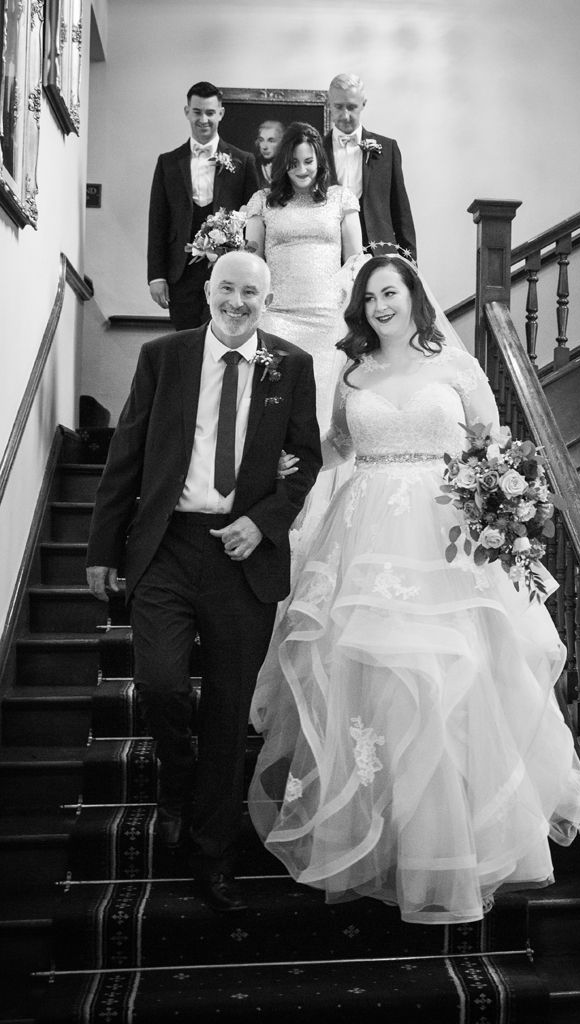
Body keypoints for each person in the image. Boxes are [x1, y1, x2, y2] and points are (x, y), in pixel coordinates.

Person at [247, 255, 580, 925]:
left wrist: (503, 506)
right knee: (373, 688)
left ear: (413, 296)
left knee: (450, 683)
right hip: (365, 539)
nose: (379, 304)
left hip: (444, 543)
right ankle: (381, 839)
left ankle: (449, 848)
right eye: (369, 296)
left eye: (390, 291)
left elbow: (489, 446)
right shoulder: (350, 372)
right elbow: (335, 447)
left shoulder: (454, 368)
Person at [86, 250, 322, 914]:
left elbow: (304, 458)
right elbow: (126, 451)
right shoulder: (164, 357)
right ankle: (175, 778)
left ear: (265, 299)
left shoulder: (288, 366)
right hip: (165, 547)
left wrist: (265, 521)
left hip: (241, 558)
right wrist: (104, 547)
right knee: (160, 684)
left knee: (225, 712)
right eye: (227, 288)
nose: (237, 301)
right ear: (208, 292)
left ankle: (212, 855)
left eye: (251, 291)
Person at [244, 121, 363, 429]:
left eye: (308, 161)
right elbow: (252, 260)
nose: (301, 169)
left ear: (319, 161)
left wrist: (349, 310)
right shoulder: (263, 201)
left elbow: (354, 261)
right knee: (277, 404)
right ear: (284, 164)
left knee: (323, 407)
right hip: (278, 317)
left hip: (328, 318)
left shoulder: (340, 198)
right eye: (293, 163)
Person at [147, 81, 259, 331]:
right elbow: (158, 221)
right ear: (187, 111)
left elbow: (256, 219)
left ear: (221, 113)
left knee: (223, 336)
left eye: (210, 112)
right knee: (185, 341)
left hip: (228, 270)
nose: (203, 119)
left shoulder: (243, 161)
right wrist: (156, 275)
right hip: (181, 272)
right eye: (197, 112)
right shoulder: (168, 163)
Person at [323, 73, 417, 262]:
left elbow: (401, 212)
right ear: (329, 104)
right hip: (328, 251)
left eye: (352, 107)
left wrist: (411, 264)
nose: (345, 115)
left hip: (378, 250)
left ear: (363, 104)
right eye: (339, 107)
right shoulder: (314, 150)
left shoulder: (388, 148)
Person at [254, 120, 285, 187]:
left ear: (281, 143)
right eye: (261, 140)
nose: (264, 147)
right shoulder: (253, 165)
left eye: (271, 141)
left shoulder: (289, 166)